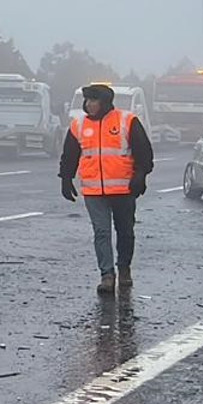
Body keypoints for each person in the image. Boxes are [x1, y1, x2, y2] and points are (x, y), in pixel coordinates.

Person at [59, 83, 154, 294]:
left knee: (125, 232)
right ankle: (107, 275)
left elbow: (143, 151)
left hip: (123, 189)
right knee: (101, 232)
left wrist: (140, 175)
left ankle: (124, 268)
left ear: (105, 102)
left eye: (94, 100)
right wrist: (66, 178)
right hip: (94, 191)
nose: (89, 105)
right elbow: (70, 154)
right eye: (88, 100)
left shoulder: (127, 120)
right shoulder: (79, 124)